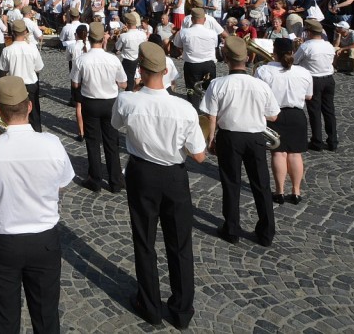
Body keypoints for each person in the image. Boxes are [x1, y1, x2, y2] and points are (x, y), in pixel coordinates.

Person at [0, 76, 74, 334]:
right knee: (46, 316)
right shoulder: (52, 143)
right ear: (29, 106)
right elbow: (63, 182)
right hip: (44, 239)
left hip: (2, 241)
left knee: (5, 317)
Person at [112, 43, 206, 329]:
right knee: (180, 244)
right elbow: (200, 156)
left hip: (142, 173)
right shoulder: (184, 108)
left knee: (144, 241)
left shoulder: (127, 101)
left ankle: (150, 305)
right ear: (166, 72)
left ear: (140, 70)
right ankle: (181, 310)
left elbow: (116, 125)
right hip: (174, 176)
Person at [202, 36, 280, 247]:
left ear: (226, 58)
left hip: (229, 137)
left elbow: (211, 116)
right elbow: (273, 116)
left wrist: (211, 139)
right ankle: (266, 233)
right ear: (248, 58)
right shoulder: (260, 85)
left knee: (231, 183)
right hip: (255, 137)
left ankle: (231, 229)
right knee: (261, 184)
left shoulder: (217, 84)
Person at [255, 38, 313, 205]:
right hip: (296, 115)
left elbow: (258, 94)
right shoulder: (304, 72)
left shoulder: (263, 70)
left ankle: (279, 191)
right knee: (295, 154)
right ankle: (296, 191)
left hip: (274, 114)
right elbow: (309, 96)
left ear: (274, 52)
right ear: (292, 52)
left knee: (278, 153)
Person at [71, 22, 127, 193]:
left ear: (88, 38)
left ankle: (94, 179)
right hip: (110, 102)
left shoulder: (81, 60)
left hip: (91, 102)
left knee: (93, 142)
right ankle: (115, 181)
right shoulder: (113, 59)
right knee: (112, 142)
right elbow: (124, 83)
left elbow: (75, 84)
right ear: (103, 38)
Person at [294, 18, 338, 151]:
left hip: (313, 80)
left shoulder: (306, 46)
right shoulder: (328, 45)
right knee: (329, 111)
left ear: (309, 32)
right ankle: (333, 141)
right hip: (329, 79)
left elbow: (295, 61)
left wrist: (296, 47)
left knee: (314, 111)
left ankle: (317, 141)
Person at [0, 19, 45, 132]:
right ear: (25, 32)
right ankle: (37, 133)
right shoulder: (32, 48)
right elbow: (39, 68)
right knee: (34, 113)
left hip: (14, 86)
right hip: (30, 84)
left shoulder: (7, 50)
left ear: (13, 33)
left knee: (15, 115)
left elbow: (3, 69)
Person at [173, 8, 220, 110]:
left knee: (191, 90)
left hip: (192, 65)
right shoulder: (212, 33)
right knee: (210, 90)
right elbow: (215, 46)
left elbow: (177, 45)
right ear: (204, 20)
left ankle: (194, 111)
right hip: (209, 64)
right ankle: (210, 112)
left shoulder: (183, 32)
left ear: (192, 19)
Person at [116, 12, 147, 92]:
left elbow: (117, 47)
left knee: (129, 82)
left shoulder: (124, 36)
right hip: (140, 59)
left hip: (128, 61)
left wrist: (122, 33)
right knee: (139, 79)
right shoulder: (143, 34)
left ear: (126, 24)